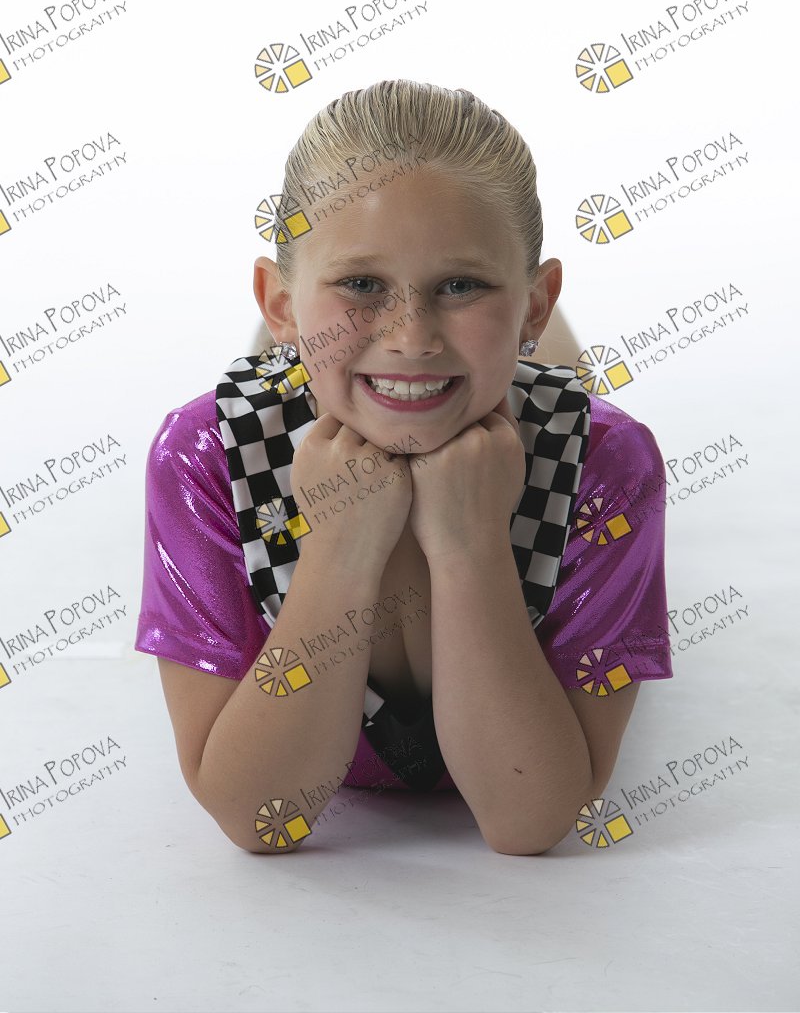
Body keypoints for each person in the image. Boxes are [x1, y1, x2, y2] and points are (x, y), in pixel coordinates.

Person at [135, 78, 673, 855]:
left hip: (503, 381)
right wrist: (337, 552)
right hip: (318, 373)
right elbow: (260, 818)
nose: (411, 335)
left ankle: (452, 323)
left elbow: (530, 821)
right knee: (308, 372)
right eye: (362, 284)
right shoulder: (202, 457)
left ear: (535, 302)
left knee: (545, 378)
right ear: (278, 301)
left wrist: (471, 548)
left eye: (462, 284)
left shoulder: (609, 466)